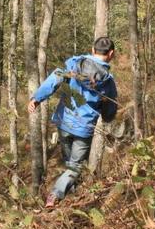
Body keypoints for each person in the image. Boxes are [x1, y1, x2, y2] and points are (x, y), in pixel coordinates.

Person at [27, 36, 119, 207]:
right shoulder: (108, 82)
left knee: (70, 164)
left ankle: (71, 197)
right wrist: (107, 117)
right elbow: (110, 109)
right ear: (111, 54)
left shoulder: (74, 66)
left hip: (64, 122)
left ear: (93, 50)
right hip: (83, 128)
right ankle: (56, 194)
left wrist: (37, 99)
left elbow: (54, 79)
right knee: (75, 167)